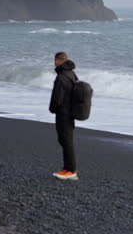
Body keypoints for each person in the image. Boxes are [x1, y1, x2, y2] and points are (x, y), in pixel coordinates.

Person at [49, 51, 78, 180]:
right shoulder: (72, 74)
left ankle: (71, 171)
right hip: (70, 112)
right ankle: (67, 169)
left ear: (58, 61)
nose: (54, 63)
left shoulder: (61, 76)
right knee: (66, 140)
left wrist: (52, 109)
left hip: (63, 113)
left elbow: (57, 98)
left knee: (66, 141)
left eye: (55, 60)